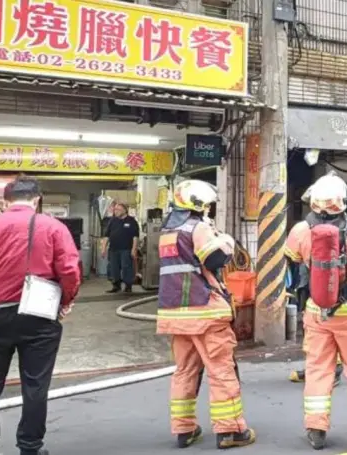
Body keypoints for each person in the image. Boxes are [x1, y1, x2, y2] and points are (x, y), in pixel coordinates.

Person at [0, 174, 81, 455]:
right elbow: (70, 271)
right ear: (37, 199)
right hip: (39, 316)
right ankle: (30, 446)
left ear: (5, 200)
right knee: (35, 385)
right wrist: (65, 300)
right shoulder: (54, 227)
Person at [284, 171, 347, 450]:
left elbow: (292, 259)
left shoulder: (300, 230)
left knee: (318, 369)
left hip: (316, 312)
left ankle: (316, 429)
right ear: (343, 201)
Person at [157, 179, 255, 450]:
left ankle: (184, 429)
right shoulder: (197, 227)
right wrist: (225, 241)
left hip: (176, 314)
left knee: (185, 371)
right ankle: (231, 430)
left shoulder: (167, 232)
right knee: (221, 370)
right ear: (199, 204)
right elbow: (215, 260)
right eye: (208, 205)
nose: (210, 210)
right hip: (205, 312)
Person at [288, 185, 344, 386]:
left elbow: (291, 256)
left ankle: (329, 370)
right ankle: (319, 368)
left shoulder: (302, 229)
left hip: (312, 287)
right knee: (321, 331)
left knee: (318, 331)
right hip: (344, 292)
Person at [101, 202, 140, 293]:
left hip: (126, 249)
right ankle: (116, 285)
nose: (115, 211)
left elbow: (135, 237)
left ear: (124, 210)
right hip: (113, 249)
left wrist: (134, 249)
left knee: (126, 267)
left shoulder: (131, 221)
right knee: (113, 268)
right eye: (115, 210)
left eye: (118, 210)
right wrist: (103, 248)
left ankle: (128, 286)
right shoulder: (112, 221)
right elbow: (106, 236)